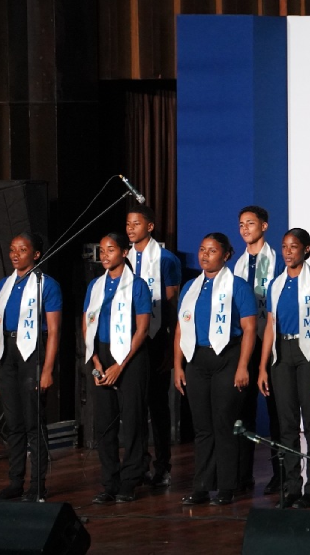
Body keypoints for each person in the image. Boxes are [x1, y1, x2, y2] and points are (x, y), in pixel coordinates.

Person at [174, 232, 258, 506]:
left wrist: (243, 366)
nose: (204, 255)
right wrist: (178, 365)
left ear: (226, 255)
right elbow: (181, 328)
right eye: (202, 249)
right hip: (197, 360)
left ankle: (226, 486)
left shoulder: (238, 286)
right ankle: (201, 486)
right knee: (202, 427)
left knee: (224, 424)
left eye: (211, 251)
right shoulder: (190, 287)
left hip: (227, 358)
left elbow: (249, 328)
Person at [258, 228, 310, 509]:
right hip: (282, 352)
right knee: (287, 423)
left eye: (294, 246)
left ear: (306, 249)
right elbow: (270, 327)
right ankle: (292, 486)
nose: (288, 252)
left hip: (309, 351)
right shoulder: (276, 284)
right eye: (284, 247)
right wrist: (263, 367)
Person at [0, 233, 62, 502]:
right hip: (7, 354)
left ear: (36, 254)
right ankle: (15, 482)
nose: (15, 255)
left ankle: (37, 486)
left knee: (33, 423)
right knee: (14, 422)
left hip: (32, 352)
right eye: (12, 249)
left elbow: (54, 331)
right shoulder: (4, 285)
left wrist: (47, 369)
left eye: (22, 250)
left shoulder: (47, 285)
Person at [84, 233, 152, 504]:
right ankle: (109, 482)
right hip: (101, 354)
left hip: (130, 357)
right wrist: (96, 363)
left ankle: (131, 479)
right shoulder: (95, 286)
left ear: (124, 252)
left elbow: (143, 328)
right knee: (104, 423)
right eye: (101, 251)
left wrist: (119, 365)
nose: (104, 255)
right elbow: (87, 323)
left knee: (133, 420)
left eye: (110, 250)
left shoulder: (138, 285)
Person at [124, 202, 182, 488]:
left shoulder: (166, 259)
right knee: (135, 404)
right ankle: (138, 464)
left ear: (149, 226)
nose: (130, 229)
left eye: (136, 224)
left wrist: (171, 346)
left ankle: (163, 465)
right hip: (129, 336)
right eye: (127, 224)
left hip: (157, 335)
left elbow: (171, 302)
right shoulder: (123, 258)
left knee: (157, 404)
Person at [233, 205, 286, 495]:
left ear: (264, 226)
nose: (245, 229)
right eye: (241, 224)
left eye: (250, 223)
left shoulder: (276, 260)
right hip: (247, 344)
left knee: (277, 412)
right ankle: (243, 474)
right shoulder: (238, 264)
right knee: (243, 410)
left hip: (272, 343)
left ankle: (281, 474)